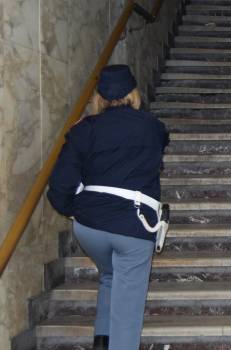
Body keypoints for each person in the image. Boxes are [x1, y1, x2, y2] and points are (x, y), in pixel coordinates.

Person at [47, 65, 169, 349]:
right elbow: (159, 145)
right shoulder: (153, 128)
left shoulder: (84, 130)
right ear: (134, 94)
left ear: (98, 98)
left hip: (90, 227)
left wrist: (76, 209)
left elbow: (60, 185)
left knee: (111, 274)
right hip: (133, 226)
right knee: (127, 311)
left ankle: (102, 340)